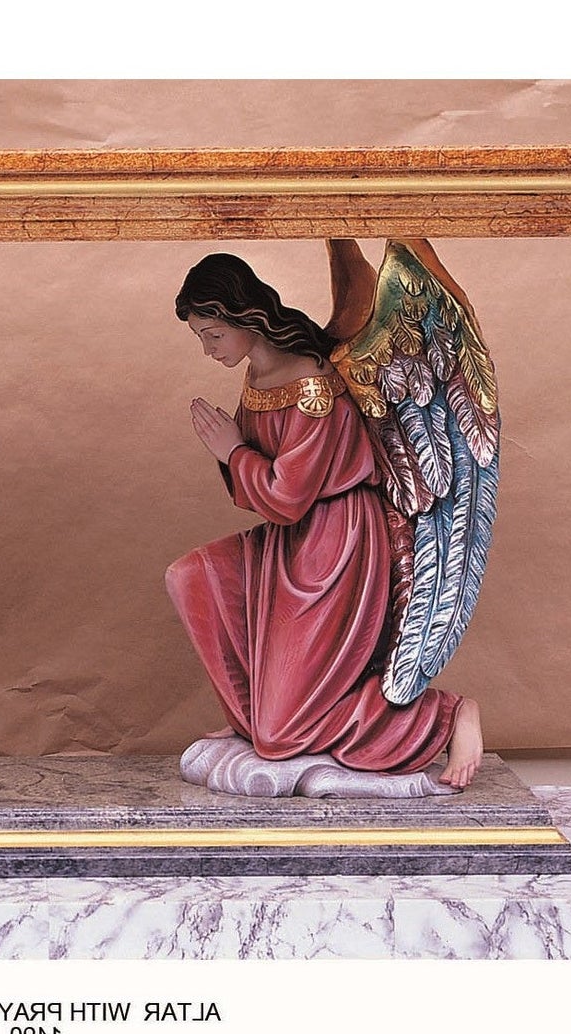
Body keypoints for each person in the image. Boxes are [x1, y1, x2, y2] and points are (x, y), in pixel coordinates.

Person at [167, 253, 483, 789]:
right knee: (192, 577)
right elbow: (269, 492)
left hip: (334, 546)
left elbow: (288, 496)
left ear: (246, 317)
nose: (209, 349)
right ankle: (257, 719)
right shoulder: (260, 373)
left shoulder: (312, 387)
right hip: (290, 542)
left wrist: (232, 451)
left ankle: (445, 715)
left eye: (214, 335)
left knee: (283, 734)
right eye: (201, 337)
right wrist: (236, 455)